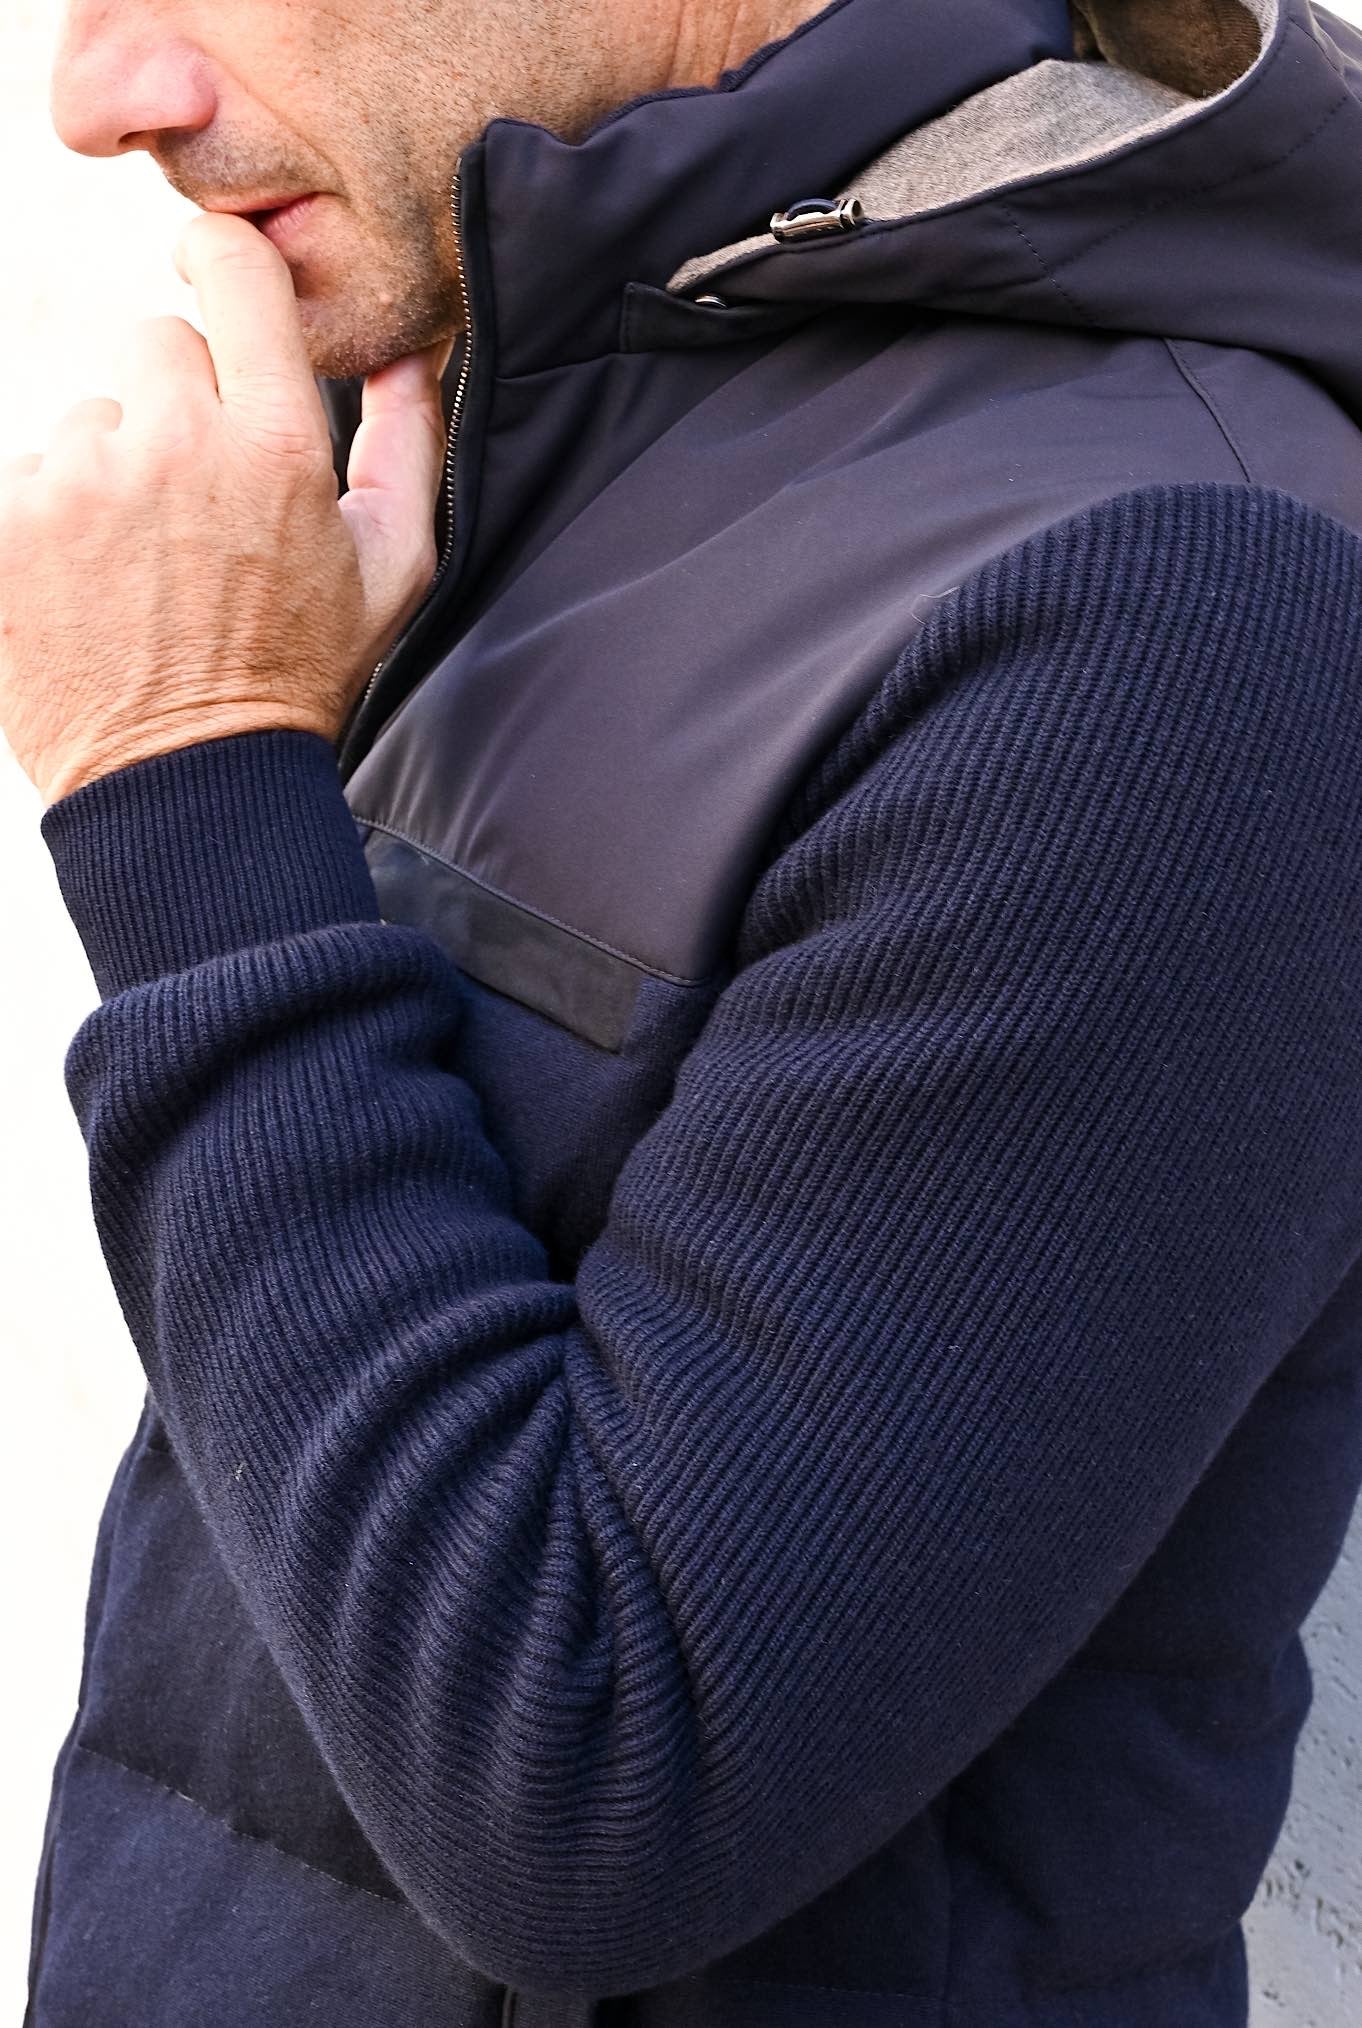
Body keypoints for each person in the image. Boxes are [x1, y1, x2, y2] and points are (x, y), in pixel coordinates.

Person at [5, 0, 1362, 2021]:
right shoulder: (543, 418)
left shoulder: (1177, 611)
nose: (101, 96)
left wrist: (186, 765)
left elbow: (587, 1785)